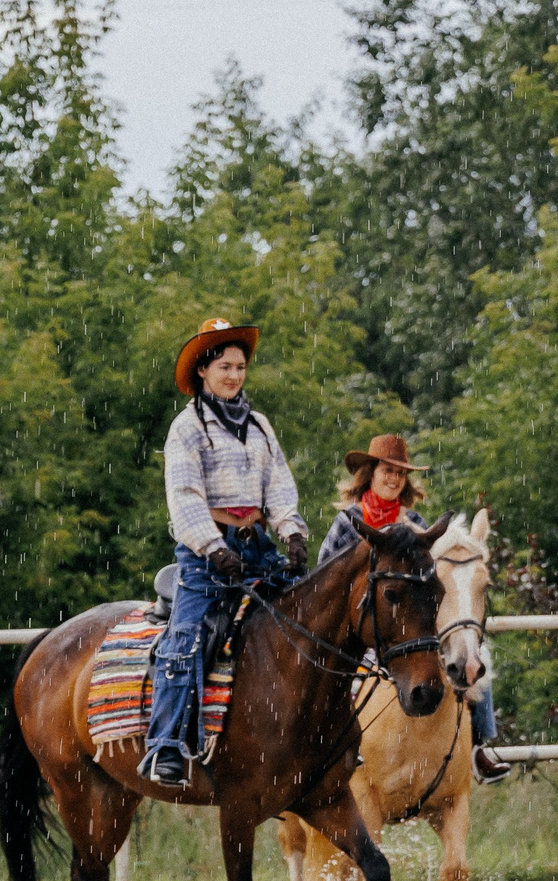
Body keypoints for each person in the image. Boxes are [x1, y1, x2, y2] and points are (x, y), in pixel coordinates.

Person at [142, 319, 310, 787]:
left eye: (239, 366)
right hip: (206, 555)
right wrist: (214, 549)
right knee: (187, 640)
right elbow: (185, 495)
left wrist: (291, 531)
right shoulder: (186, 428)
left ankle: (325, 737)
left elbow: (278, 482)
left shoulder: (258, 425)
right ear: (203, 371)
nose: (234, 375)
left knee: (314, 620)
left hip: (257, 546)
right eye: (224, 366)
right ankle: (167, 746)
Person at [319, 432, 512, 786]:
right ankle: (331, 745)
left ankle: (478, 745)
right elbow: (325, 575)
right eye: (386, 471)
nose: (393, 479)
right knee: (339, 677)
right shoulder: (348, 522)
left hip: (410, 623)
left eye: (399, 473)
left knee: (474, 652)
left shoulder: (417, 524)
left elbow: (434, 575)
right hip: (364, 624)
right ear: (370, 474)